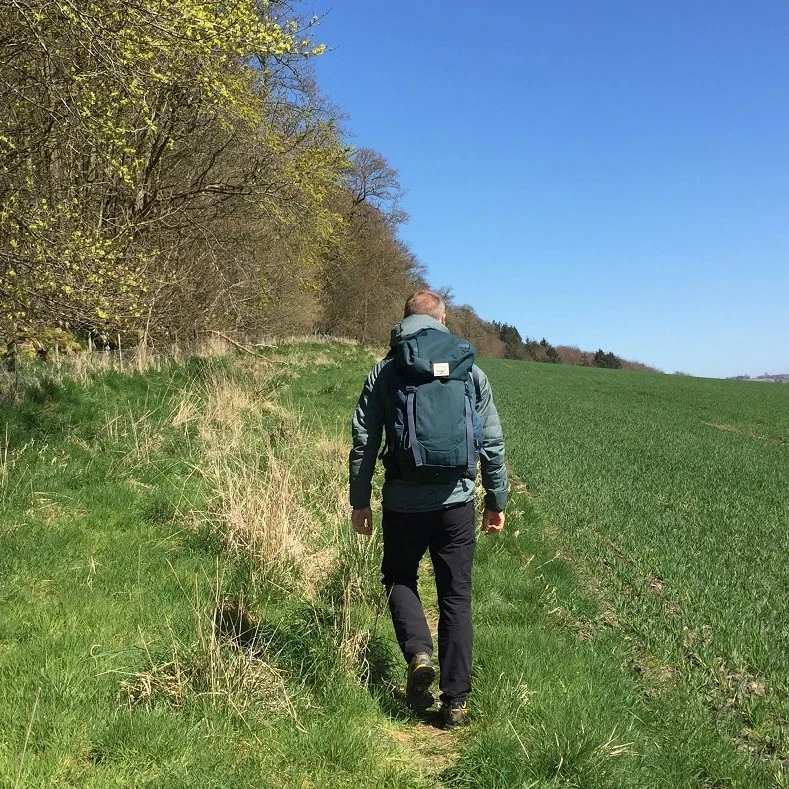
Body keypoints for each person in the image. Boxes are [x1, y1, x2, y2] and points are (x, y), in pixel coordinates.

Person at [349, 290, 508, 729]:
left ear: (405, 321)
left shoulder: (386, 369)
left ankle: (418, 652)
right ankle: (455, 702)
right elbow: (491, 442)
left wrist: (359, 500)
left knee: (400, 575)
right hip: (457, 502)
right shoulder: (469, 370)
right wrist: (496, 500)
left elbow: (365, 440)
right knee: (455, 597)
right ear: (442, 318)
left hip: (403, 501)